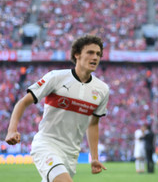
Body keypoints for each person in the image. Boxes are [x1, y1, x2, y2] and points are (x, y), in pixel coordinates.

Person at [4, 35, 109, 182]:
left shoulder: (102, 89)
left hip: (71, 155)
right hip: (47, 145)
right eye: (90, 52)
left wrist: (94, 158)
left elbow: (93, 124)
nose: (95, 57)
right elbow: (23, 102)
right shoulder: (56, 77)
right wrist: (12, 130)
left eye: (98, 54)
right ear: (77, 54)